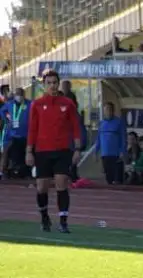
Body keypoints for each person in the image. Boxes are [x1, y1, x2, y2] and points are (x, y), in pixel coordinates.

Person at [26, 69, 81, 233]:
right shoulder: (36, 104)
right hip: (42, 151)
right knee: (41, 187)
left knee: (61, 183)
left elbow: (76, 127)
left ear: (59, 83)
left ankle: (63, 222)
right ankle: (44, 218)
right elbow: (32, 129)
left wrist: (77, 149)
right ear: (44, 85)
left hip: (62, 151)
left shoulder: (68, 104)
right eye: (49, 83)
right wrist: (29, 151)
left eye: (55, 83)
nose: (52, 86)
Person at [0, 88, 31, 179]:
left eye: (21, 94)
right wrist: (7, 119)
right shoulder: (9, 104)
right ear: (14, 95)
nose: (19, 96)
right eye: (17, 94)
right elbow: (2, 111)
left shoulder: (29, 104)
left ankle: (26, 172)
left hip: (25, 134)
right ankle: (6, 171)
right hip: (11, 134)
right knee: (8, 153)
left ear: (24, 95)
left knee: (24, 154)